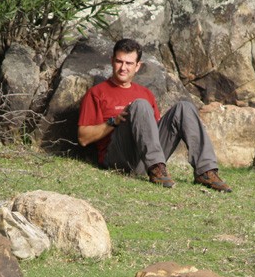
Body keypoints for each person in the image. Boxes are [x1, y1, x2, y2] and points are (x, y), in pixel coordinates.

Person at [77, 38, 232, 192]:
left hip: (146, 160)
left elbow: (153, 136)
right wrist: (114, 121)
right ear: (112, 61)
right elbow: (83, 138)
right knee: (139, 104)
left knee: (184, 107)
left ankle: (205, 171)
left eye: (129, 63)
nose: (123, 67)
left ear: (137, 66)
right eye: (119, 61)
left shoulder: (145, 93)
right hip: (119, 158)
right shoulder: (97, 93)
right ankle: (156, 167)